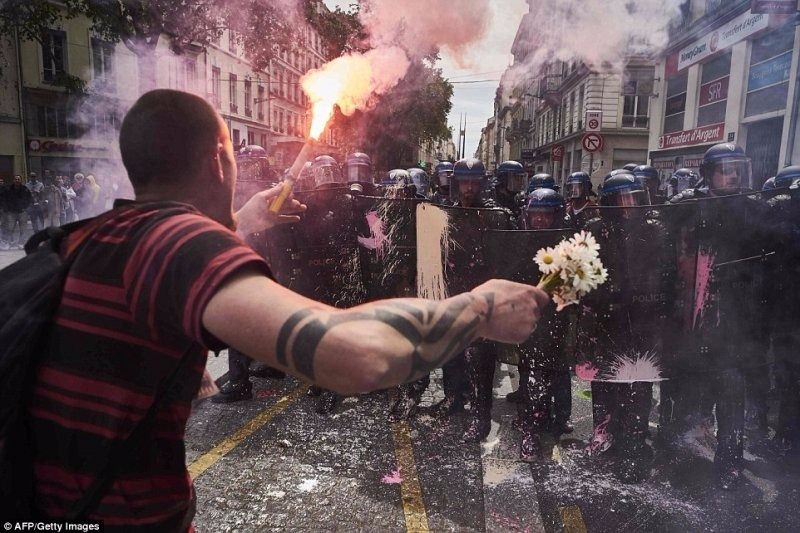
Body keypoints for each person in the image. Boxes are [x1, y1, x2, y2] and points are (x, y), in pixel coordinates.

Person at [22, 89, 549, 527]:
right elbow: (350, 354)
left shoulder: (91, 236)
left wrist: (239, 222)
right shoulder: (179, 243)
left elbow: (159, 279)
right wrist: (479, 308)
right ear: (218, 159)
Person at [665, 143, 769, 489]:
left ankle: (730, 462)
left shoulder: (751, 208)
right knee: (691, 389)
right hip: (697, 320)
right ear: (708, 174)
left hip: (737, 322)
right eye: (725, 169)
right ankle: (684, 449)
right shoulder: (692, 206)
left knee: (731, 392)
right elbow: (667, 218)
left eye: (737, 169)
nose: (734, 175)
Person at [580, 170, 676, 482]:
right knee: (606, 380)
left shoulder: (655, 229)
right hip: (607, 317)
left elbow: (669, 272)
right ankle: (604, 432)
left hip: (644, 318)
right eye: (621, 201)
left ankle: (634, 445)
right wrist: (593, 303)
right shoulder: (593, 229)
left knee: (640, 384)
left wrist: (661, 305)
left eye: (633, 200)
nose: (628, 207)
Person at [516, 188, 576, 461]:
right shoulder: (522, 241)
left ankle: (560, 417)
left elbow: (574, 286)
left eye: (545, 215)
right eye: (535, 215)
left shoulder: (567, 245)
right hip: (532, 317)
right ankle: (531, 429)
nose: (540, 221)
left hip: (559, 315)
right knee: (533, 375)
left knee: (560, 372)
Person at [3, 174, 32, 248]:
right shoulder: (8, 189)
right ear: (13, 180)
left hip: (22, 212)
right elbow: (4, 200)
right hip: (11, 212)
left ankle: (21, 243)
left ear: (21, 180)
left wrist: (26, 208)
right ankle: (8, 243)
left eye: (18, 179)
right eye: (16, 179)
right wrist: (7, 209)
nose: (17, 180)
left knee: (23, 229)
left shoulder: (25, 189)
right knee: (9, 228)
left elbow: (29, 199)